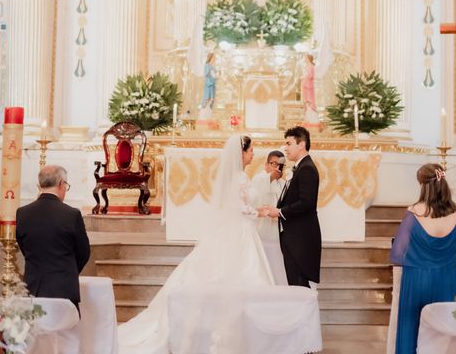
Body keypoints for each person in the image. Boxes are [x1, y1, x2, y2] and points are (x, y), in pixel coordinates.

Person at [118, 135, 275, 353]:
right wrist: (259, 211)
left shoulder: (237, 176)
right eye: (250, 151)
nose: (253, 154)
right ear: (241, 153)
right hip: (240, 232)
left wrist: (257, 209)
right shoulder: (238, 178)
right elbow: (237, 207)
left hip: (240, 230)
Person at [390, 163, 456, 354]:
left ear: (423, 186)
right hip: (448, 279)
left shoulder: (413, 213)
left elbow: (398, 252)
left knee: (411, 330)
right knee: (445, 333)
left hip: (417, 280)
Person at [16, 165, 90, 307]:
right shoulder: (71, 214)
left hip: (33, 288)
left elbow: (24, 247)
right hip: (64, 289)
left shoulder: (23, 213)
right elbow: (84, 253)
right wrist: (68, 270)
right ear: (61, 183)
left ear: (39, 185)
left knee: (35, 328)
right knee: (65, 328)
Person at [264, 126, 322, 288]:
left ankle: (303, 314)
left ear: (301, 144)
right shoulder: (301, 167)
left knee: (299, 286)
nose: (285, 148)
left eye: (289, 143)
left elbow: (306, 203)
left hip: (300, 240)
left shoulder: (307, 169)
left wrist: (280, 212)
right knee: (296, 285)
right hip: (295, 238)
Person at [251, 150, 286, 242]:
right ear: (266, 164)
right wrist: (272, 176)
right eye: (274, 164)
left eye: (281, 165)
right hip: (261, 228)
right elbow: (264, 180)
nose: (277, 168)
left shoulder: (283, 183)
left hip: (278, 231)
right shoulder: (258, 178)